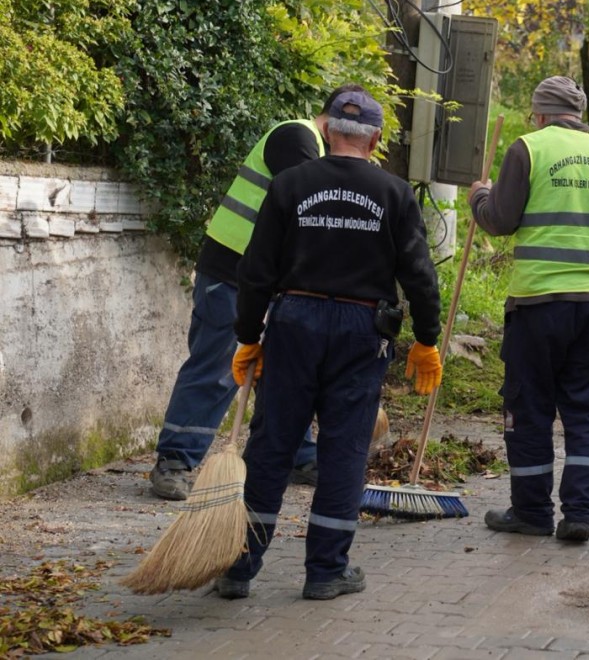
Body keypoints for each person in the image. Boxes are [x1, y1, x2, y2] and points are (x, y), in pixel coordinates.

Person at [214, 90, 443, 600]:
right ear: (376, 140)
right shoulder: (394, 193)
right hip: (362, 331)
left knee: (272, 446)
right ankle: (325, 572)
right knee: (344, 449)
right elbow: (420, 276)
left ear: (328, 131)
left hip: (294, 322)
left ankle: (238, 566)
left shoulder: (291, 184)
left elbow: (255, 270)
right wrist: (427, 339)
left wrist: (249, 336)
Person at [148, 87, 364, 500]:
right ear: (334, 124)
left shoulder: (314, 148)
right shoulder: (296, 139)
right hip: (231, 273)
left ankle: (296, 455)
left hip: (267, 280)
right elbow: (310, 208)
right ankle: (175, 460)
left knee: (285, 371)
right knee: (217, 369)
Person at [468, 76, 589, 543]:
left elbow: (500, 220)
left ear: (540, 114)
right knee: (588, 411)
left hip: (537, 306)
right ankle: (580, 513)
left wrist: (478, 197)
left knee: (529, 408)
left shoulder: (528, 148)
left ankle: (532, 512)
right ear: (579, 115)